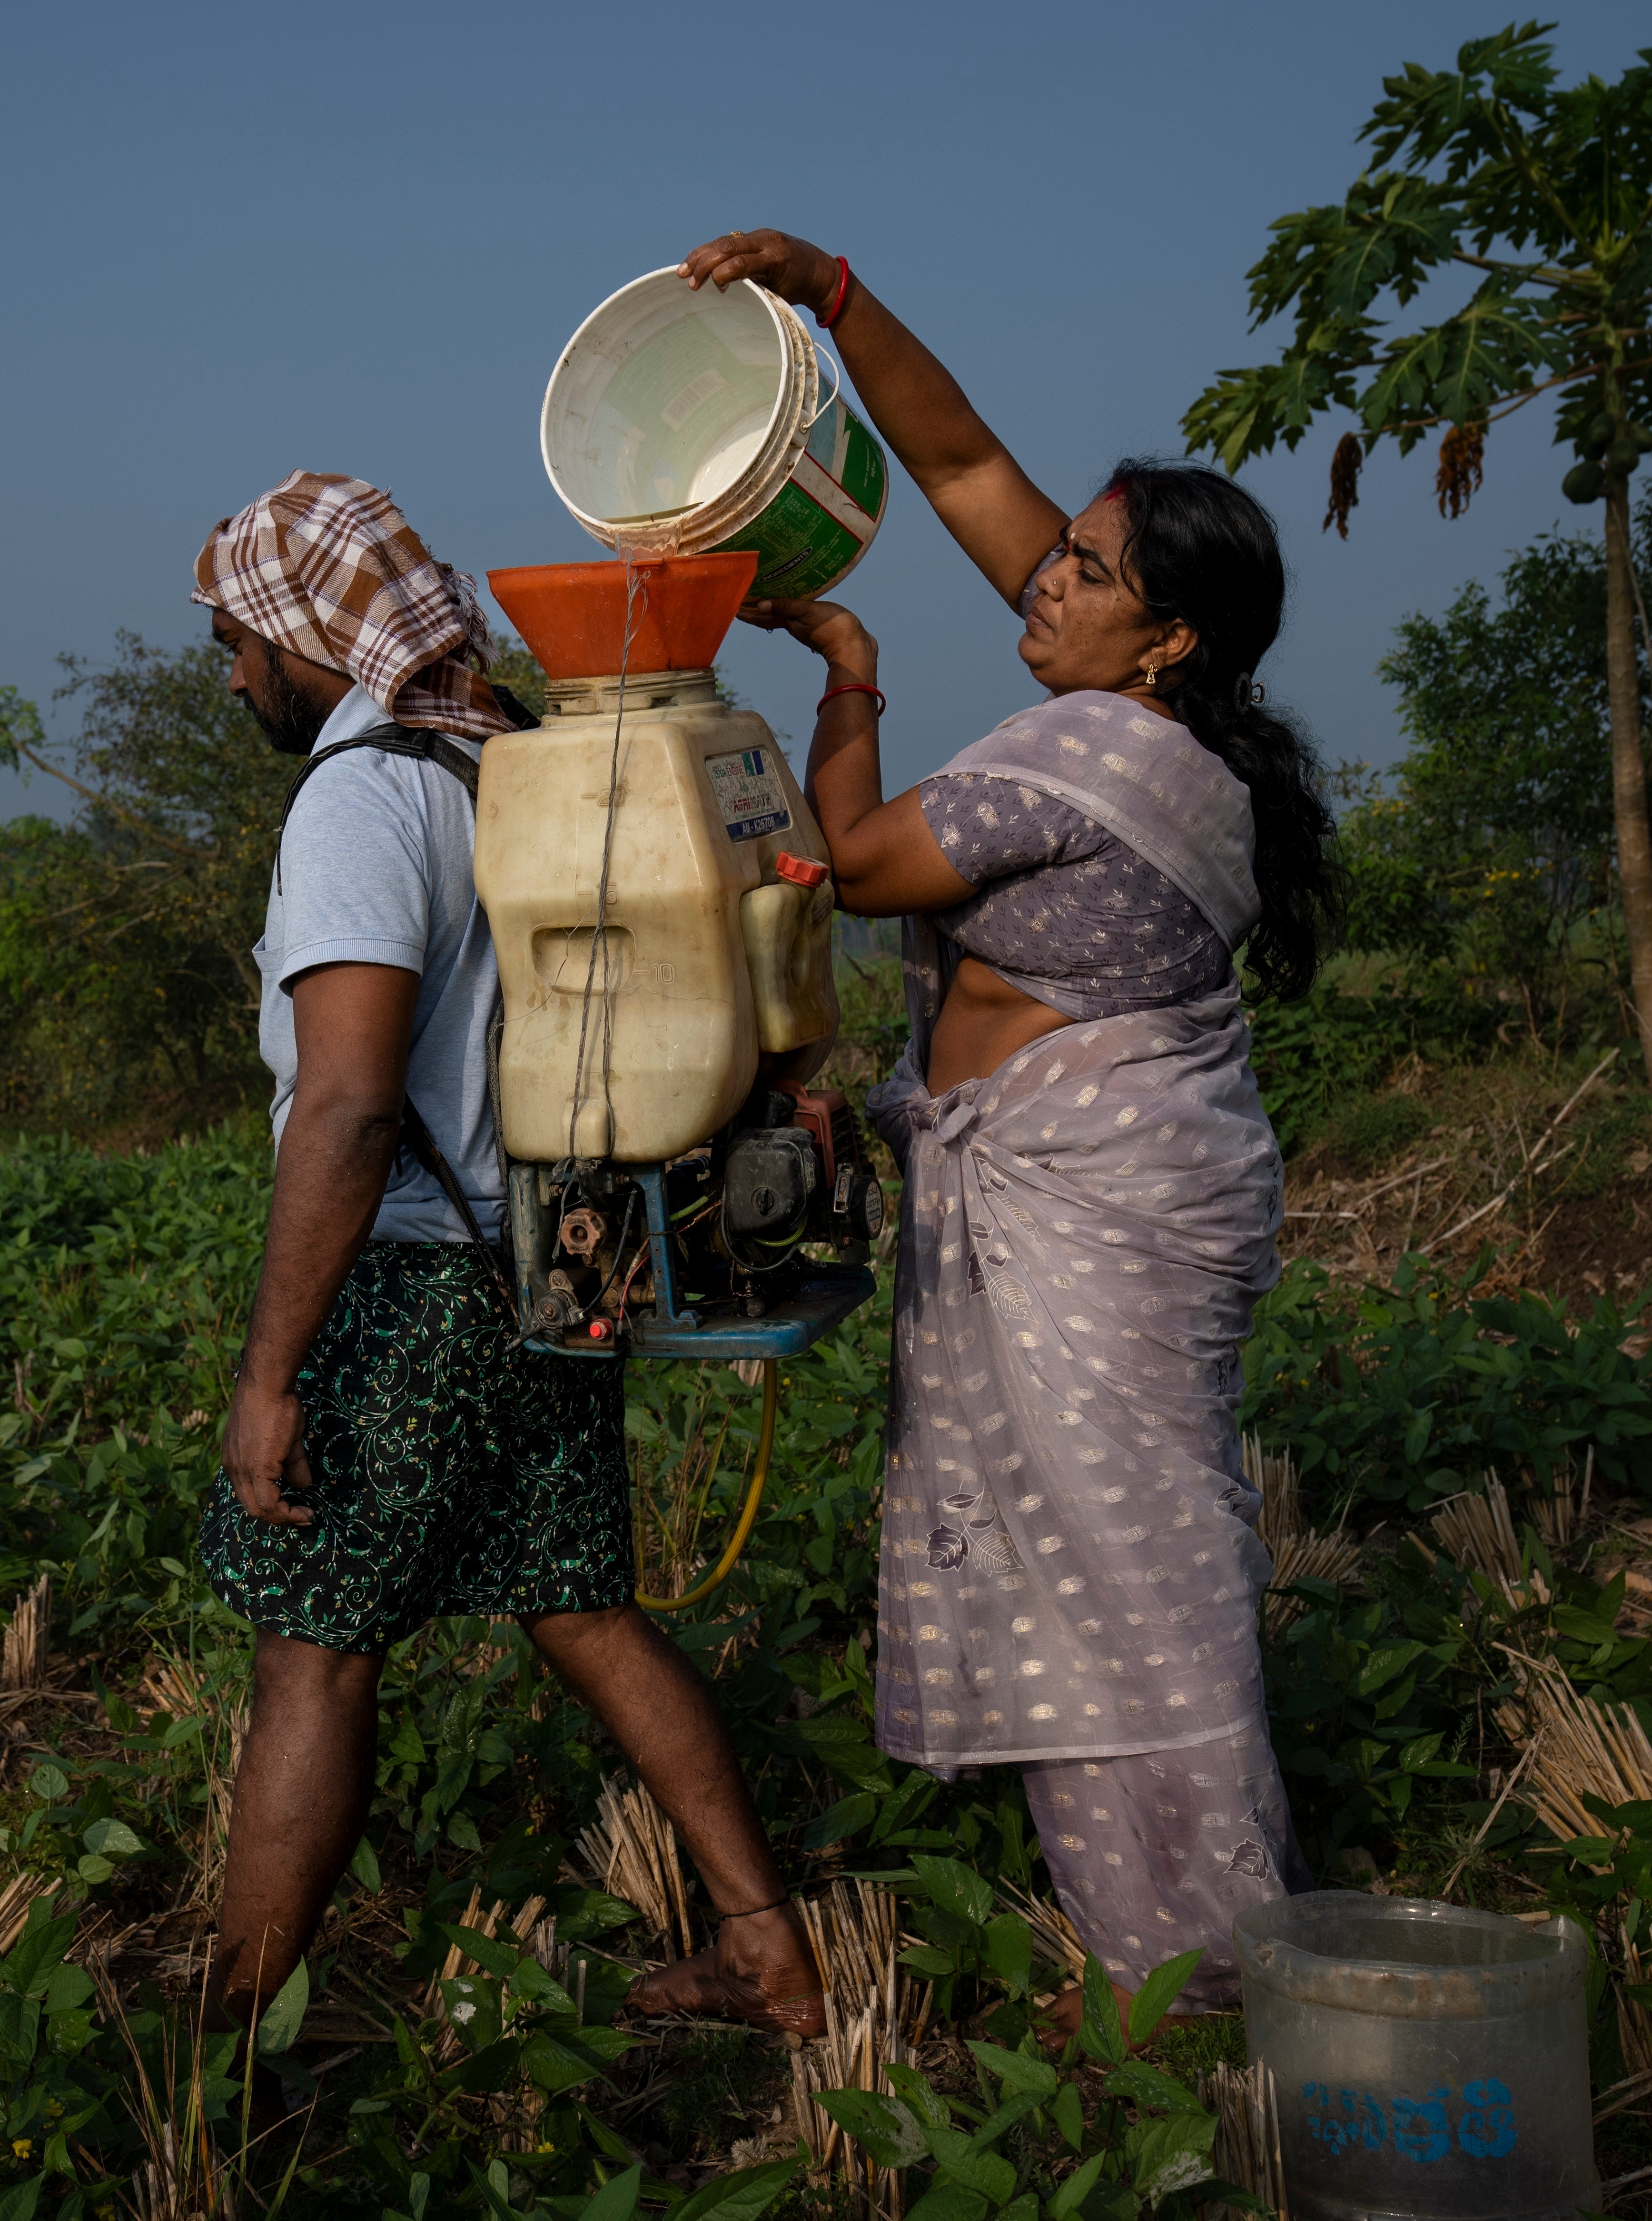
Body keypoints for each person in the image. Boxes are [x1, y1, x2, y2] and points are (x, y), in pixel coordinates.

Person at [674, 233, 1338, 2012]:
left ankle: (1208, 1969)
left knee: (1131, 1577)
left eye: (1089, 571)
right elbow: (963, 459)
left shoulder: (1102, 760)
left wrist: (850, 668)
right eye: (1064, 549)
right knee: (1092, 1564)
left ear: (1168, 639)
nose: (1047, 579)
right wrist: (828, 293)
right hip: (1090, 1190)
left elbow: (849, 859)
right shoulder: (1147, 717)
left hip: (1093, 1210)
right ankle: (1159, 1949)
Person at [192, 471, 825, 2039]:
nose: (235, 677)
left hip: (412, 1281)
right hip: (556, 1259)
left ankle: (229, 2052)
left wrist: (272, 1373)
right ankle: (768, 1948)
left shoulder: (361, 799)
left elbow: (348, 1104)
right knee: (579, 1607)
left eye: (237, 642)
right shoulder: (515, 757)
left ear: (303, 632)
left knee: (313, 1657)